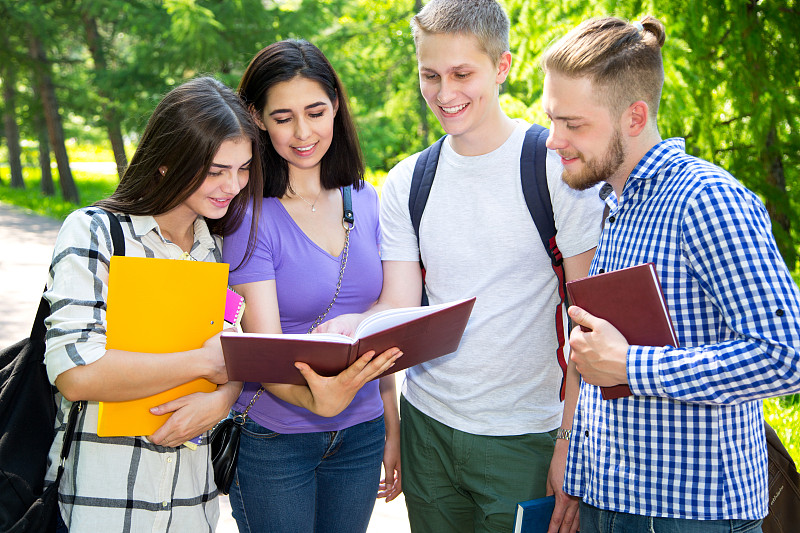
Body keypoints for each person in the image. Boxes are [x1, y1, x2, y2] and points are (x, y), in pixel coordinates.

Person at [316, 1, 605, 531]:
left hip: (526, 435)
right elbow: (399, 304)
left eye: (461, 74)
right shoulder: (409, 180)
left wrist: (571, 442)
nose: (444, 94)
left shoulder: (555, 167)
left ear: (502, 66)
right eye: (430, 75)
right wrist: (352, 327)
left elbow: (586, 319)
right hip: (429, 429)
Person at [540, 15, 800, 533]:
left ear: (634, 117)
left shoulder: (708, 201)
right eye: (551, 119)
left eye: (573, 124)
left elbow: (785, 355)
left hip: (693, 517)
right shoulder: (615, 203)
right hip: (607, 501)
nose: (554, 140)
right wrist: (573, 451)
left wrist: (631, 367)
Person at [43, 76, 264, 531]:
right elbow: (75, 374)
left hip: (191, 507)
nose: (233, 185)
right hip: (101, 505)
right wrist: (203, 362)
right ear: (167, 162)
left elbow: (234, 355)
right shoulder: (97, 233)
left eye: (242, 169)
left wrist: (223, 397)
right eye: (216, 169)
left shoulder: (217, 248)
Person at [220, 40, 403, 533]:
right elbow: (267, 350)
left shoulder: (367, 199)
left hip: (362, 434)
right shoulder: (249, 215)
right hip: (276, 439)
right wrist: (320, 402)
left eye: (316, 112)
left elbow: (383, 321)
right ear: (257, 118)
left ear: (336, 107)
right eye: (283, 118)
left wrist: (390, 421)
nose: (303, 133)